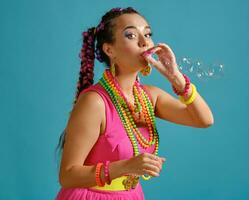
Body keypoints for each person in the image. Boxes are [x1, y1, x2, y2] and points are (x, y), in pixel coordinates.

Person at [55, 6, 214, 200]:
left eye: (148, 34)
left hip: (131, 195)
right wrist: (127, 166)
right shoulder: (95, 101)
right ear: (109, 49)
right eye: (131, 35)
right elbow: (67, 175)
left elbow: (204, 120)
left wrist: (177, 79)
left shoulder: (150, 97)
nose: (144, 42)